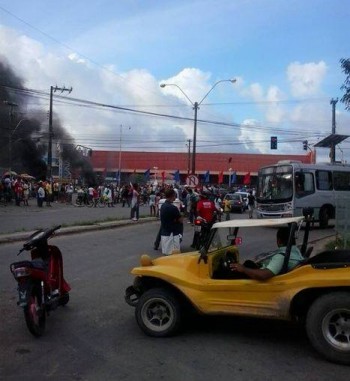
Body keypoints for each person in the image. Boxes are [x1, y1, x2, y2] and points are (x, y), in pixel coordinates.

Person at [229, 227, 304, 280]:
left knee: (232, 272)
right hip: (272, 273)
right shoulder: (295, 250)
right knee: (248, 263)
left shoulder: (281, 256)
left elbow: (263, 275)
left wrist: (244, 269)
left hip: (265, 282)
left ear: (279, 241)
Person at [160, 189, 183, 255]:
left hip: (164, 233)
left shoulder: (163, 206)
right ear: (172, 195)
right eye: (174, 195)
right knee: (174, 255)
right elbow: (180, 220)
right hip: (172, 234)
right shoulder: (173, 208)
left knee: (166, 254)